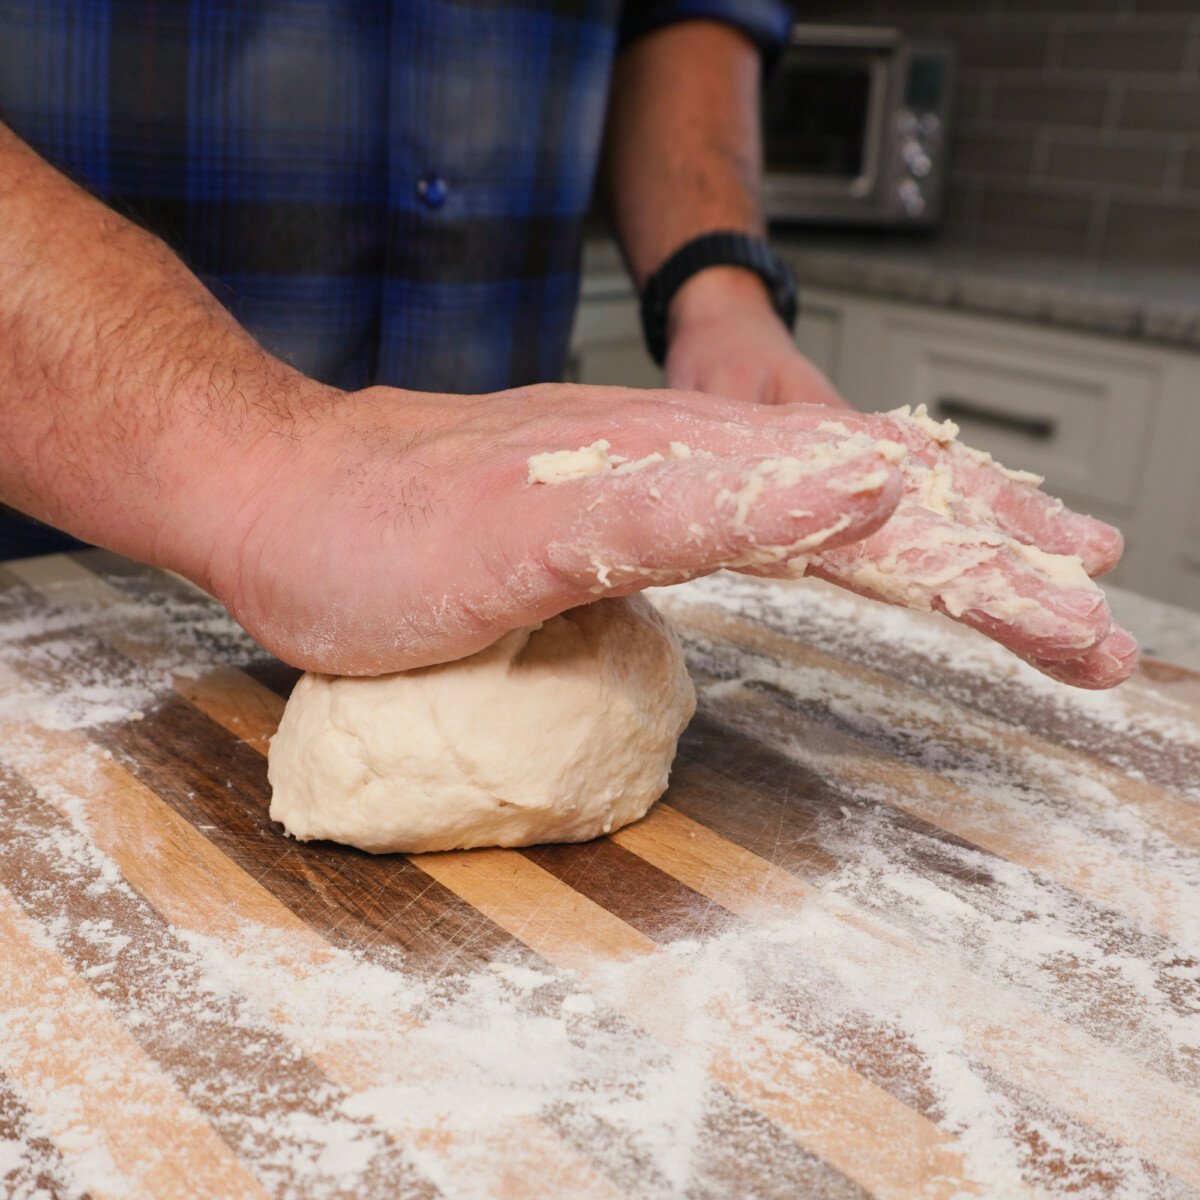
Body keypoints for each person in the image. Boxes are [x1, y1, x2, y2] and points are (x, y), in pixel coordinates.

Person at [0, 2, 1135, 688]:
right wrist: (247, 455)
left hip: (525, 545)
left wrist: (716, 289)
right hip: (55, 567)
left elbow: (678, 13)